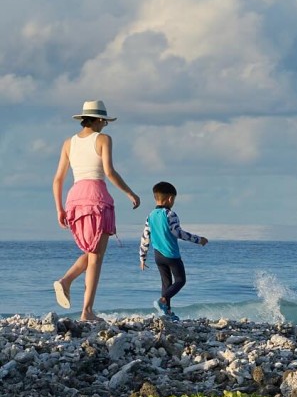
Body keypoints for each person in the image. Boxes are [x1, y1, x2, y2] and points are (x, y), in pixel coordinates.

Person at [52, 99, 140, 322]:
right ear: (99, 120)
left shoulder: (68, 143)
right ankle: (86, 310)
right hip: (96, 197)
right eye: (105, 122)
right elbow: (109, 172)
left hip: (74, 199)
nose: (105, 126)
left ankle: (67, 282)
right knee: (97, 257)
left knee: (91, 252)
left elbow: (58, 179)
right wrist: (130, 193)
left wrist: (59, 209)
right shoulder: (103, 139)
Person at [139, 181, 208, 320]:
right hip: (171, 255)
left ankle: (167, 312)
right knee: (180, 280)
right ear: (170, 198)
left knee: (166, 283)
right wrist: (198, 239)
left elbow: (145, 236)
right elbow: (178, 233)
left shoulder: (150, 215)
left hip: (158, 255)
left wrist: (142, 257)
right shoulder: (170, 214)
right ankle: (163, 300)